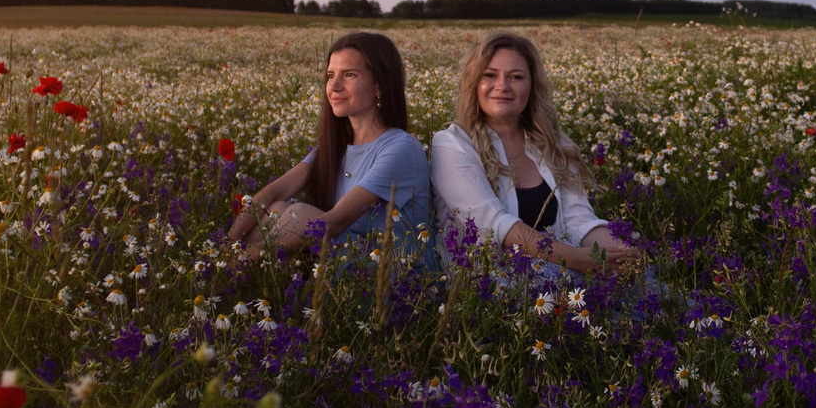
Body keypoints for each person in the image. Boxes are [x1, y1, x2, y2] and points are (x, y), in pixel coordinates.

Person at [430, 30, 634, 275]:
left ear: (532, 85)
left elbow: (579, 218)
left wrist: (617, 253)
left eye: (516, 77)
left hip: (562, 269)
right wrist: (579, 260)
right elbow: (493, 226)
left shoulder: (553, 142)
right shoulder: (452, 144)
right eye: (490, 75)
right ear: (474, 83)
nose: (502, 86)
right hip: (489, 281)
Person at [227, 32, 430, 259]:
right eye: (330, 75)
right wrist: (229, 246)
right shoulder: (335, 147)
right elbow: (276, 191)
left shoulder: (402, 148)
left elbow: (336, 221)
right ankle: (236, 279)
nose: (334, 86)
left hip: (397, 276)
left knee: (299, 213)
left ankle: (238, 276)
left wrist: (245, 256)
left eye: (349, 75)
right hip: (340, 262)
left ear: (379, 85)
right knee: (275, 210)